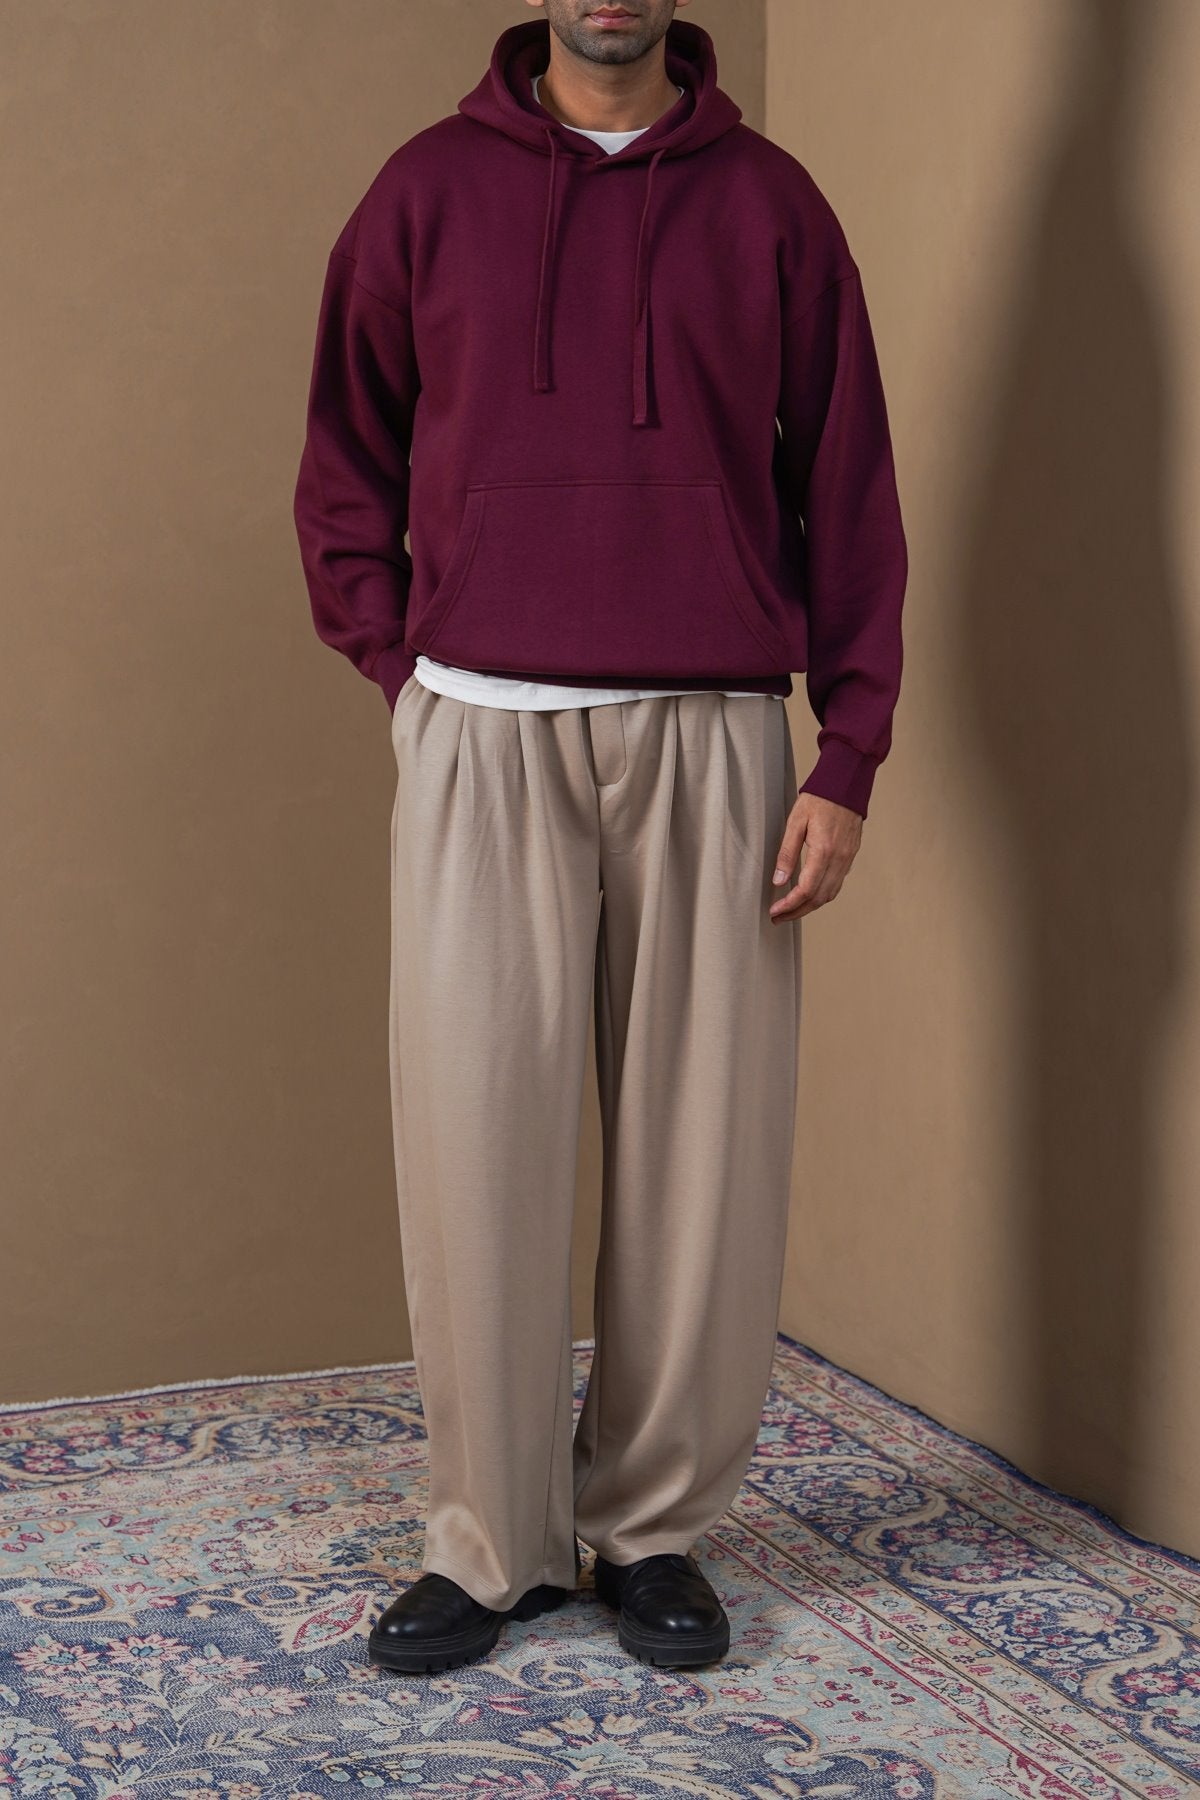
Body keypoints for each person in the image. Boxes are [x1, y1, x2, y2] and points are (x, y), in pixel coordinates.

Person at [293, 0, 907, 1676]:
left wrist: (848, 751)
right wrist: (399, 665)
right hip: (483, 720)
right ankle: (491, 1541)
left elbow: (848, 482)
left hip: (715, 724)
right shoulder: (425, 192)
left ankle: (650, 1529)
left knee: (706, 1151)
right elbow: (346, 447)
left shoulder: (773, 206)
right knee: (474, 1134)